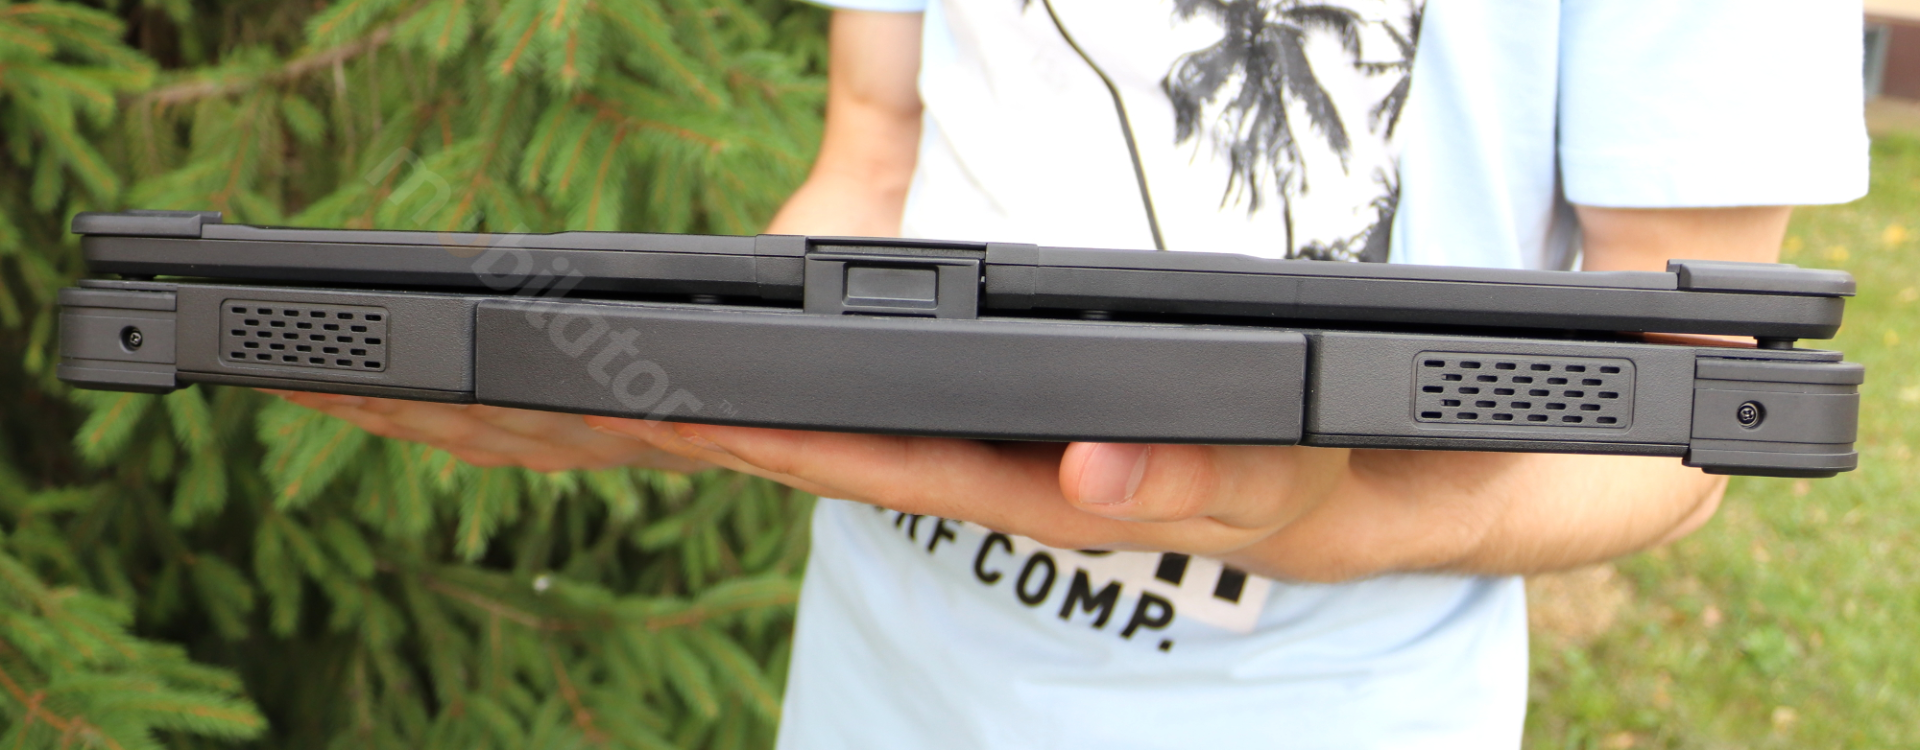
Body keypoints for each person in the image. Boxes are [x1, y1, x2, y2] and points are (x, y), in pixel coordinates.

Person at [277, 0, 1868, 746]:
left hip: (1318, 709)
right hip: (880, 675)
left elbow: (1690, 398)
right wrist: (671, 388)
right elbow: (872, 157)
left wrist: (1340, 518)